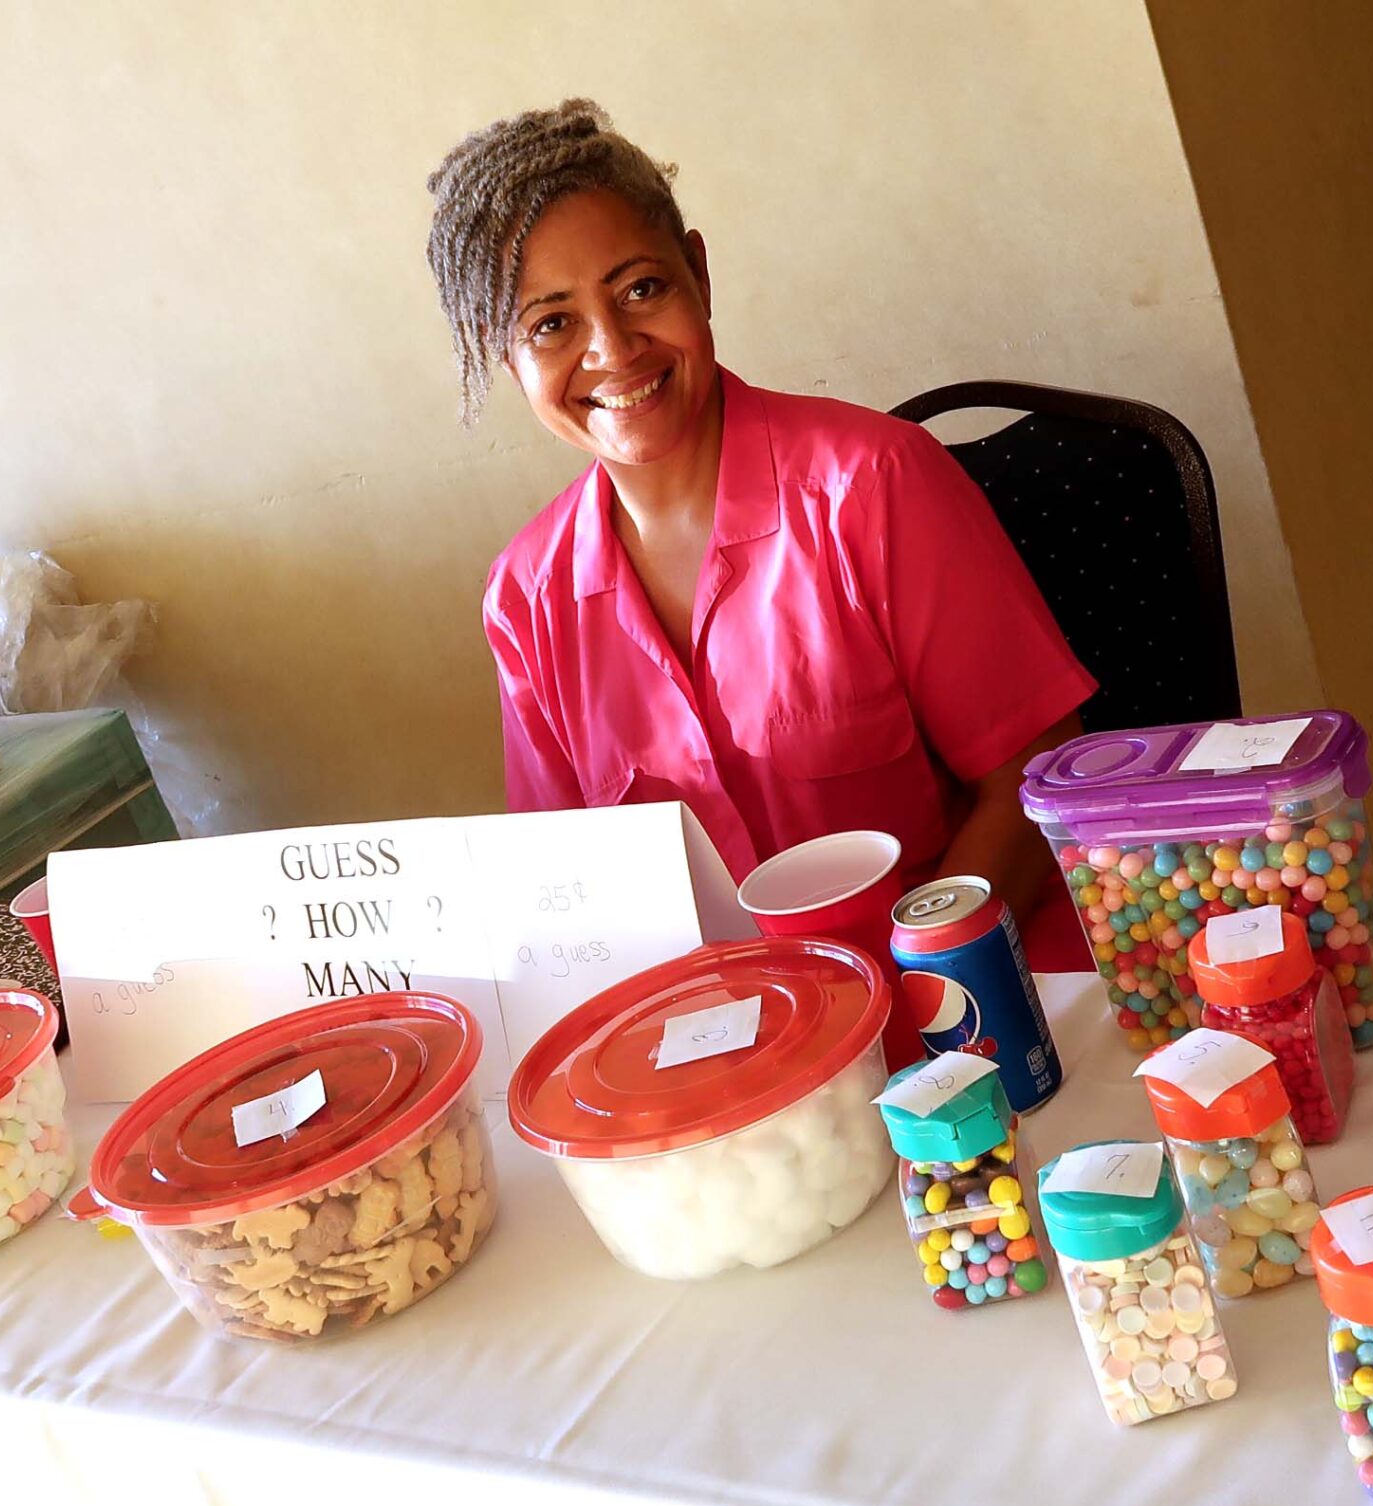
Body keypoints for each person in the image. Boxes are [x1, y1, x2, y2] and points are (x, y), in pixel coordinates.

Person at [425, 99, 1093, 938]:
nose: (613, 348)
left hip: (972, 1007)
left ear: (698, 276)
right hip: (729, 1043)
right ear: (504, 354)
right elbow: (577, 897)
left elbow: (1030, 784)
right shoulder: (526, 598)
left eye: (641, 288)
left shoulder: (875, 486)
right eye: (552, 323)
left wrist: (917, 987)